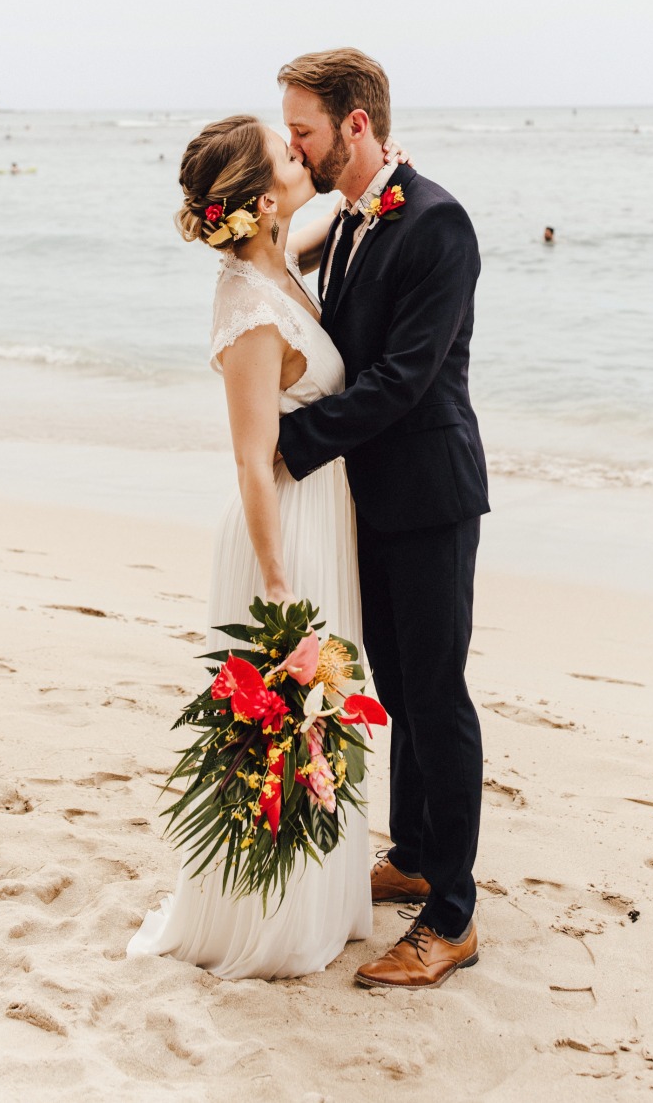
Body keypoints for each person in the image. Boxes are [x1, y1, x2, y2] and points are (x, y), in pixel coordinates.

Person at [127, 114, 399, 978]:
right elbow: (250, 460)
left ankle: (322, 900)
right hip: (280, 537)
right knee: (289, 727)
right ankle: (271, 921)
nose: (302, 153)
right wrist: (280, 589)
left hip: (322, 519)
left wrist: (378, 183)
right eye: (289, 153)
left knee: (327, 718)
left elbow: (324, 221)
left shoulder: (278, 261)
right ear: (257, 198)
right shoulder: (247, 309)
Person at [279, 48, 488, 991]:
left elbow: (404, 379)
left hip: (432, 493)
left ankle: (452, 915)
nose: (295, 144)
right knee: (396, 683)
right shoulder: (355, 217)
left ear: (355, 125)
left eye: (305, 131)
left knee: (437, 693)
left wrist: (293, 443)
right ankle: (415, 852)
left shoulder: (439, 223)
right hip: (375, 495)